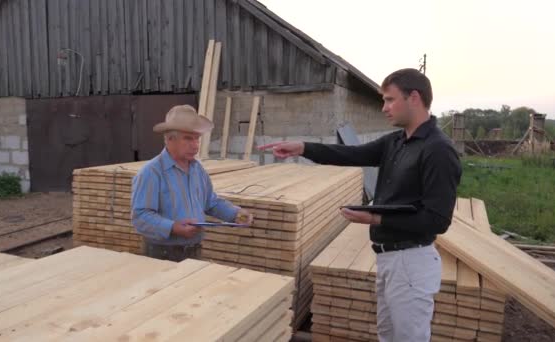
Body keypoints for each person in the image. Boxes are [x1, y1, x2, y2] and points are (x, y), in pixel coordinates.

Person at [259, 68, 461, 341]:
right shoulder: (397, 141)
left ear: (414, 97)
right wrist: (303, 148)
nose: (384, 108)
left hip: (411, 262)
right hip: (389, 259)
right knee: (388, 335)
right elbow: (351, 153)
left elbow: (438, 220)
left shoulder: (438, 150)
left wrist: (376, 219)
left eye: (390, 100)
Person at [131, 105, 253, 262]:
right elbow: (140, 216)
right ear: (169, 139)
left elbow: (210, 202)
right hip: (161, 254)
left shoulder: (197, 169)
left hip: (194, 249)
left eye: (197, 138)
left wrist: (235, 214)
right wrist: (173, 227)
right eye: (188, 138)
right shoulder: (152, 172)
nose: (195, 145)